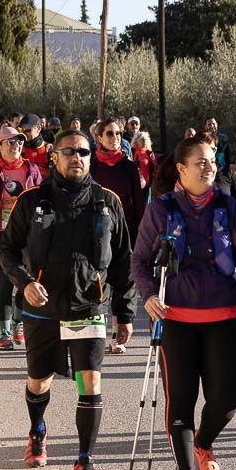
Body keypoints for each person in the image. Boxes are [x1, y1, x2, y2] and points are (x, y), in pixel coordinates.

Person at [0, 128, 136, 470]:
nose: (77, 157)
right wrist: (25, 282)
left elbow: (123, 260)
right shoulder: (32, 201)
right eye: (69, 151)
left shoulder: (108, 202)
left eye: (84, 152)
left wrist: (126, 312)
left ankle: (85, 461)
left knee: (89, 382)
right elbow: (5, 249)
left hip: (89, 306)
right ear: (53, 157)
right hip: (42, 309)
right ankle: (37, 431)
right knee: (39, 380)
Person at [136, 136, 236, 470]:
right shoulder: (161, 208)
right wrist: (148, 295)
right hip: (175, 315)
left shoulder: (227, 205)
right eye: (201, 163)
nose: (209, 168)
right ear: (181, 168)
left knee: (226, 400)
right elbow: (139, 260)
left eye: (212, 162)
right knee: (182, 398)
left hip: (221, 312)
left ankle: (204, 444)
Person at [0, 125, 42, 349]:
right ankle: (4, 332)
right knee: (4, 285)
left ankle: (17, 323)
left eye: (20, 141)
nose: (17, 145)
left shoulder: (31, 169)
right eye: (11, 142)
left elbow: (42, 202)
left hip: (26, 235)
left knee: (25, 283)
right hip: (0, 236)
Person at [91, 117, 145, 354]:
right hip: (97, 231)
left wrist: (144, 229)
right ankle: (97, 335)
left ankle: (117, 336)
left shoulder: (129, 165)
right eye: (110, 134)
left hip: (127, 230)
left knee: (124, 281)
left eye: (118, 134)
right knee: (99, 281)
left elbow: (139, 200)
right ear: (99, 138)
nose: (115, 139)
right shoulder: (91, 164)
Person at [196, 130, 236, 250]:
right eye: (206, 149)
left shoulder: (228, 174)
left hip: (225, 238)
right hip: (196, 240)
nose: (211, 153)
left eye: (213, 149)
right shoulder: (189, 176)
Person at [19, 113, 52, 179]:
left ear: (39, 128)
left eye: (28, 129)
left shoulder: (48, 149)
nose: (24, 133)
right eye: (21, 129)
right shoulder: (20, 149)